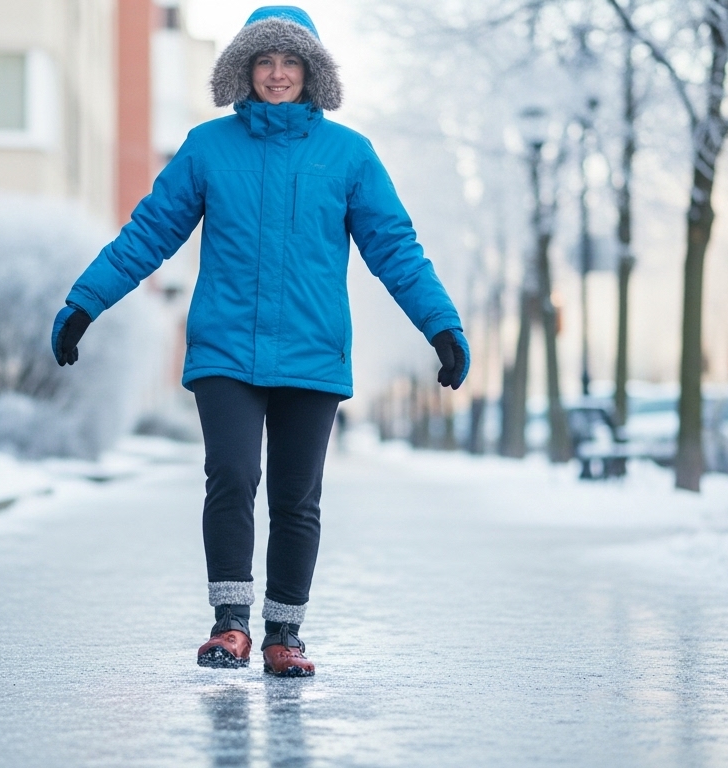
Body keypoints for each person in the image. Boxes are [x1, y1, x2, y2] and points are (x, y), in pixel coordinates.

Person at [50, 6, 469, 677]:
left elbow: (395, 248)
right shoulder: (208, 147)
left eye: (290, 62)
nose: (277, 74)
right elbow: (149, 233)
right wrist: (85, 302)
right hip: (226, 352)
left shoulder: (349, 155)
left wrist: (441, 326)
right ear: (244, 69)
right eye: (265, 61)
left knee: (298, 499)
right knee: (233, 478)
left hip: (312, 353)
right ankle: (230, 625)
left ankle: (284, 634)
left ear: (312, 72)